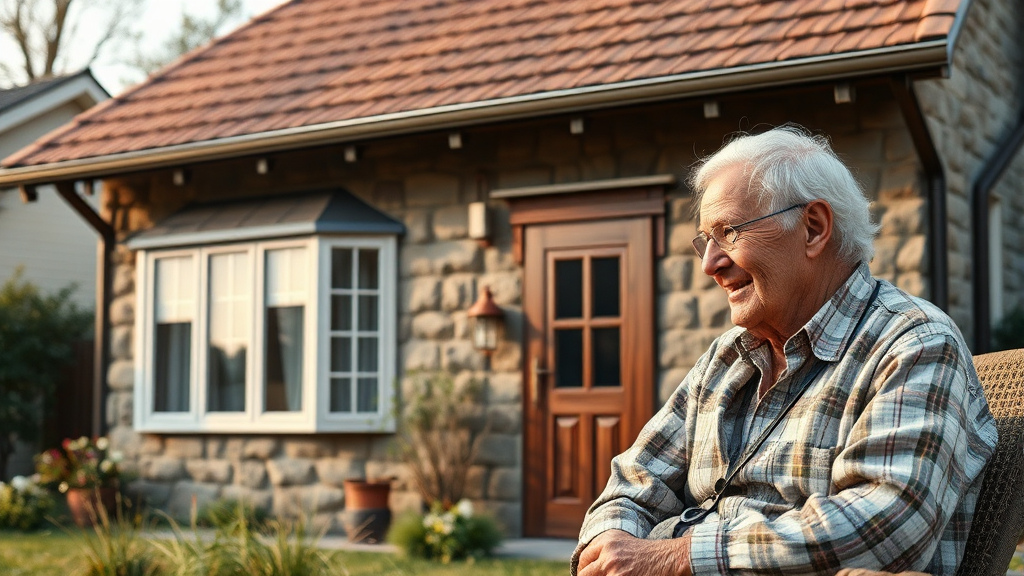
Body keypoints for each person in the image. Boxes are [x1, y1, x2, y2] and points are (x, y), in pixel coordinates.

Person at [571, 126, 997, 576]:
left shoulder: (915, 343)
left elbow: (886, 527)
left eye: (728, 232)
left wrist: (678, 557)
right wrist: (610, 545)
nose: (709, 264)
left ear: (813, 228)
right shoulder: (726, 356)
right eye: (705, 240)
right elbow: (632, 483)